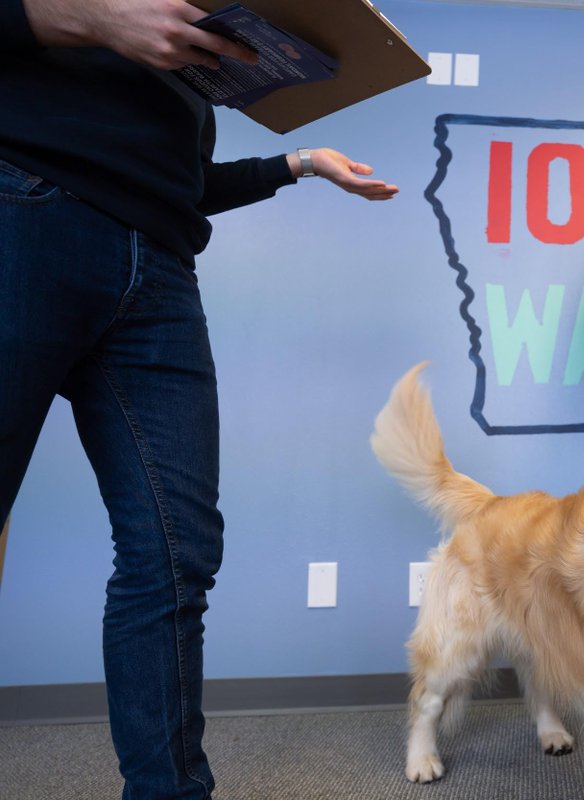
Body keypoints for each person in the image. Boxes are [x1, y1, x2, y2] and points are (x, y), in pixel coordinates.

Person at [0, 1, 398, 796]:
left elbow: (176, 184)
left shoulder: (181, 53)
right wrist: (88, 21)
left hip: (160, 271)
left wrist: (300, 163)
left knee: (176, 557)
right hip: (24, 213)